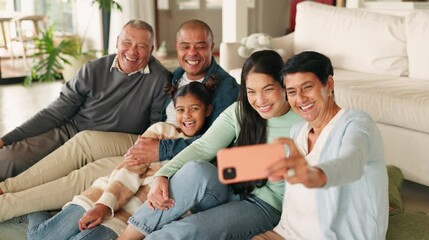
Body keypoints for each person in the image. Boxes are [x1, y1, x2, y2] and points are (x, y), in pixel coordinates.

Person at [0, 19, 239, 222]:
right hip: (156, 138)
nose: (192, 53)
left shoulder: (225, 88)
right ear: (176, 47)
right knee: (85, 140)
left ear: (212, 47)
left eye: (200, 46)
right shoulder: (176, 75)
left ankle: (6, 206)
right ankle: (5, 188)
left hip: (176, 156)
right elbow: (158, 120)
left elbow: (211, 144)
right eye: (185, 46)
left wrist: (159, 150)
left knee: (93, 171)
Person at [117, 50, 301, 240]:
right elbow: (203, 147)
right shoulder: (241, 110)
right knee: (196, 169)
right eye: (251, 91)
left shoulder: (302, 123)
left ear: (284, 84)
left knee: (185, 230)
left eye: (268, 89)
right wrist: (162, 174)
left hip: (262, 207)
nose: (260, 100)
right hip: (230, 189)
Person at [26, 80, 217, 240]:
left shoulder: (209, 150)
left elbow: (186, 196)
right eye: (181, 110)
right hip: (103, 197)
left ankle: (51, 214)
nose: (187, 116)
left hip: (128, 218)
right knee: (38, 237)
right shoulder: (162, 131)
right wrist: (103, 206)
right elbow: (129, 168)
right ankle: (36, 211)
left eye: (194, 109)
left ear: (208, 110)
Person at [0, 19, 171, 181]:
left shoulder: (160, 79)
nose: (132, 51)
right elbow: (55, 113)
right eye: (127, 42)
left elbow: (153, 128)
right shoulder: (93, 69)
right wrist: (6, 139)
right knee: (9, 158)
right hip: (72, 133)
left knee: (53, 179)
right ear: (117, 41)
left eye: (142, 46)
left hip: (113, 148)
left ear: (151, 50)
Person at [252, 51, 389, 240]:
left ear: (329, 84)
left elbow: (352, 161)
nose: (300, 99)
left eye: (307, 87)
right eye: (292, 92)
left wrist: (316, 175)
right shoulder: (297, 131)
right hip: (285, 233)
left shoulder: (356, 122)